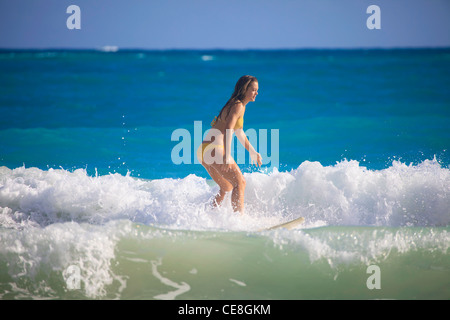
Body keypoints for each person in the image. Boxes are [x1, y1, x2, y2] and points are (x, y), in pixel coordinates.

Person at [197, 75, 262, 214]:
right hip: (214, 149)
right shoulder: (238, 105)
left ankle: (208, 217)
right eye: (253, 90)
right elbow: (228, 128)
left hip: (204, 150)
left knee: (226, 188)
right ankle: (239, 221)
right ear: (245, 89)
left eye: (257, 90)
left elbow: (239, 132)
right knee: (240, 182)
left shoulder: (237, 105)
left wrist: (252, 151)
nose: (256, 93)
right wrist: (227, 156)